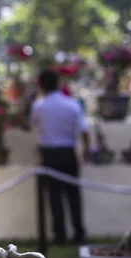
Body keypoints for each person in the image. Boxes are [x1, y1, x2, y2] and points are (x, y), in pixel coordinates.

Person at [30, 69, 90, 245]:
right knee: (74, 195)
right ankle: (79, 234)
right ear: (59, 83)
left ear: (40, 85)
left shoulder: (38, 106)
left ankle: (60, 236)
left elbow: (32, 124)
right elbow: (84, 131)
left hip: (48, 154)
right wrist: (86, 150)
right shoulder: (72, 104)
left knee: (54, 198)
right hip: (68, 153)